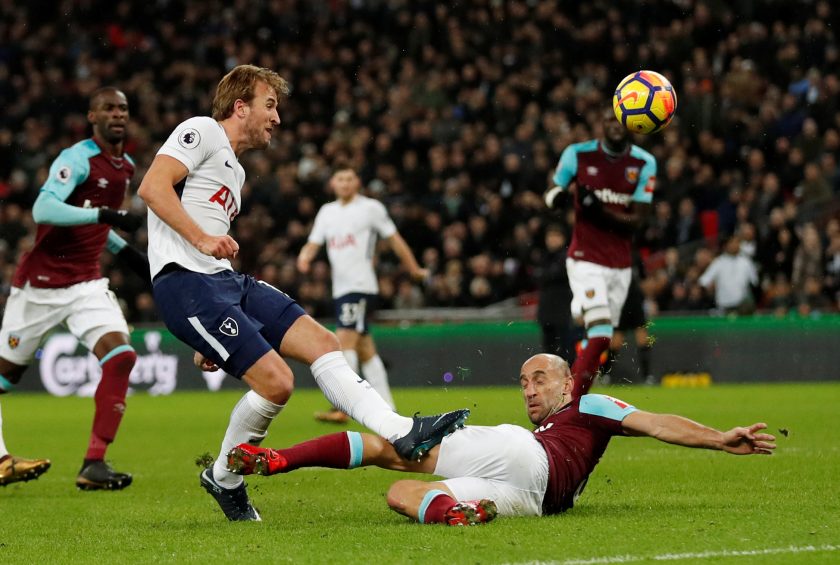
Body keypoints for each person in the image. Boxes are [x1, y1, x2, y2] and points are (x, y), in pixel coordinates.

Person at [137, 65, 468, 521]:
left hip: (222, 282)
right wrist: (200, 241)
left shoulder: (235, 170)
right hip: (186, 284)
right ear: (240, 107)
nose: (277, 118)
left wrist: (208, 325)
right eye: (269, 105)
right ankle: (224, 477)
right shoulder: (202, 131)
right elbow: (151, 187)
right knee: (277, 383)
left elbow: (205, 231)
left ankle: (401, 430)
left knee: (323, 342)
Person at [227, 352, 775, 525]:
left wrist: (718, 439)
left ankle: (277, 460)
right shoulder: (550, 422)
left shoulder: (588, 406)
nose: (529, 388)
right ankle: (459, 518)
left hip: (526, 458)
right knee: (403, 497)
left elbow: (656, 422)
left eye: (539, 379)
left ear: (567, 381)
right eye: (523, 382)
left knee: (389, 448)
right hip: (532, 501)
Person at [0, 87, 148, 490]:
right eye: (109, 108)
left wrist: (130, 255)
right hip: (39, 287)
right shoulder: (77, 159)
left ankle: (94, 464)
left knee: (120, 356)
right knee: (3, 381)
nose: (117, 114)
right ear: (92, 116)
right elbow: (43, 209)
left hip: (86, 284)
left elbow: (94, 225)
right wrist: (107, 214)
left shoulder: (126, 167)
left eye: (123, 108)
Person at [297, 168, 428, 423]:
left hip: (360, 285)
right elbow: (313, 242)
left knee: (343, 343)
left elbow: (395, 239)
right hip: (342, 288)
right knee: (365, 349)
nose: (344, 184)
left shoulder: (371, 208)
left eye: (349, 179)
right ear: (333, 183)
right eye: (340, 179)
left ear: (357, 182)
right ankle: (388, 409)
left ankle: (345, 407)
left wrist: (413, 269)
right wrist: (305, 257)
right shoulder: (327, 212)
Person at [544, 107, 656, 385]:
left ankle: (581, 310)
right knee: (602, 331)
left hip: (620, 265)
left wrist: (601, 212)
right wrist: (555, 199)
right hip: (585, 258)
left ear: (632, 125)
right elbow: (552, 192)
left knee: (603, 338)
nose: (615, 124)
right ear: (601, 124)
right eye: (609, 119)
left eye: (621, 120)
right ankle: (572, 398)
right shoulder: (577, 154)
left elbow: (638, 220)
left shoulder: (644, 163)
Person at [536, 224, 578, 362]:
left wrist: (544, 275)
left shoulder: (567, 256)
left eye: (556, 236)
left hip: (563, 310)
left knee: (566, 347)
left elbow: (552, 274)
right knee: (549, 349)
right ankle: (552, 379)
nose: (552, 240)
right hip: (547, 310)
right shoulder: (544, 256)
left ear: (563, 238)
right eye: (550, 236)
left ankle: (569, 378)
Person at [698, 233, 758, 315]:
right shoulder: (718, 262)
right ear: (725, 246)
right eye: (732, 242)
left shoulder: (745, 261)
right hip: (724, 307)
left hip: (742, 307)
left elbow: (755, 282)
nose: (735, 245)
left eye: (737, 242)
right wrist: (711, 286)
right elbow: (703, 281)